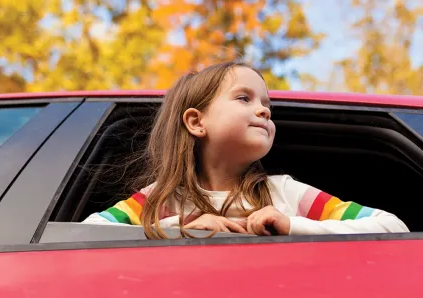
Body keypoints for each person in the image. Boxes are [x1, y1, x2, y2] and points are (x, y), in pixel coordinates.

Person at [82, 61, 409, 239]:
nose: (265, 111)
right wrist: (179, 229)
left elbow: (392, 226)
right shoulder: (159, 199)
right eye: (244, 98)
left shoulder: (288, 194)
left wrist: (291, 225)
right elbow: (86, 233)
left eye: (267, 105)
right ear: (196, 122)